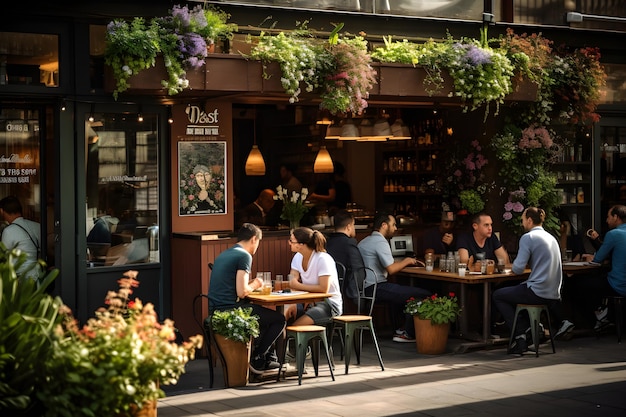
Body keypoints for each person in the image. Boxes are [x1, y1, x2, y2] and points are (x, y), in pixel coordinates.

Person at [208, 223, 286, 375]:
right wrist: (256, 282)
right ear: (254, 239)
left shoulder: (224, 254)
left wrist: (250, 285)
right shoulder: (244, 255)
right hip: (231, 310)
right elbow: (242, 292)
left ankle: (266, 359)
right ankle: (258, 358)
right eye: (258, 243)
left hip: (216, 309)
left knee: (265, 318)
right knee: (279, 320)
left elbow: (236, 286)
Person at [492, 207, 563, 355]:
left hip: (537, 291)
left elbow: (518, 268)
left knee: (498, 295)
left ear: (529, 220)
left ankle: (520, 337)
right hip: (553, 293)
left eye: (523, 220)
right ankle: (529, 329)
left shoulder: (528, 237)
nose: (522, 223)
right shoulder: (551, 238)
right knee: (515, 292)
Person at [358, 212, 431, 343]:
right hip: (376, 288)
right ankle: (407, 333)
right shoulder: (380, 241)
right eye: (393, 225)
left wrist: (402, 262)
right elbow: (391, 269)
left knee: (399, 292)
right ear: (384, 225)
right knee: (423, 294)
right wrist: (407, 261)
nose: (395, 228)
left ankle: (399, 329)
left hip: (364, 289)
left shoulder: (365, 241)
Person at [285, 227, 343, 325]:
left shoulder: (323, 259)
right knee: (284, 313)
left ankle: (292, 339)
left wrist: (297, 286)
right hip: (307, 301)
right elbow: (292, 280)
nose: (289, 243)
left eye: (292, 241)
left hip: (328, 304)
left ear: (301, 244)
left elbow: (324, 288)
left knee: (296, 326)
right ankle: (280, 340)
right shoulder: (297, 257)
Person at [581, 205, 626, 331]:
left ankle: (599, 315)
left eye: (608, 217)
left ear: (616, 217)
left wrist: (590, 257)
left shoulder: (614, 234)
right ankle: (605, 313)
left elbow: (597, 259)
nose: (606, 220)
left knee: (580, 285)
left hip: (619, 285)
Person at [326, 209, 365, 305]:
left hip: (328, 288)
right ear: (348, 227)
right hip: (346, 293)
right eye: (353, 225)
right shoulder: (349, 242)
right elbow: (358, 269)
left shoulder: (327, 242)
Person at [0, 196, 42, 281]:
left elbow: (4, 257)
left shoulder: (8, 231)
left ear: (2, 211)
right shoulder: (37, 226)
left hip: (21, 278)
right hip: (38, 275)